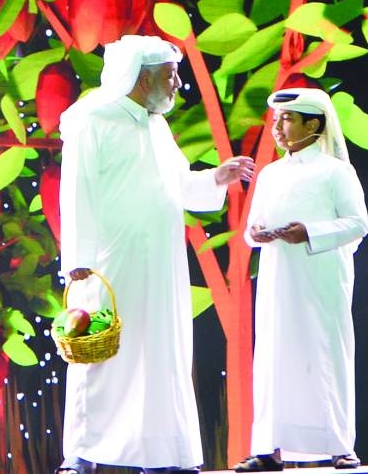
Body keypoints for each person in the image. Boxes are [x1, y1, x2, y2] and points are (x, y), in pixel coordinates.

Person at [57, 34, 255, 474]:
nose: (177, 84)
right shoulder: (94, 119)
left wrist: (217, 178)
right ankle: (84, 454)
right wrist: (78, 263)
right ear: (143, 78)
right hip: (110, 262)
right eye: (170, 76)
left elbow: (178, 184)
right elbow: (76, 193)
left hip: (161, 264)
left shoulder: (156, 125)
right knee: (104, 354)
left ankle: (164, 455)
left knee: (162, 356)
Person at [233, 88, 368, 472]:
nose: (277, 127)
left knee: (326, 352)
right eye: (276, 120)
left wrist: (309, 232)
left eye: (287, 119)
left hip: (322, 276)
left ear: (314, 124)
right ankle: (269, 448)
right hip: (279, 277)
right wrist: (256, 234)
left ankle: (340, 445)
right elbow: (250, 229)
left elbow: (358, 224)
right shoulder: (271, 173)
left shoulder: (336, 171)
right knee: (276, 354)